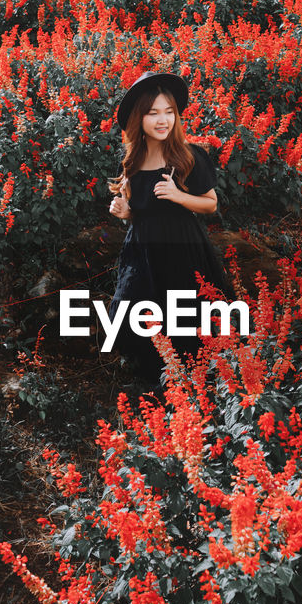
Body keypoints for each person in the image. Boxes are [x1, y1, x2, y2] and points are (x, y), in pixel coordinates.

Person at [107, 70, 234, 383]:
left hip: (181, 247)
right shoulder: (133, 159)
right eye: (153, 114)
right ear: (140, 119)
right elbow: (140, 211)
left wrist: (179, 196)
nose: (163, 120)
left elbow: (210, 204)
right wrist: (124, 212)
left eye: (169, 113)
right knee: (134, 308)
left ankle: (193, 382)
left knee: (184, 314)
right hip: (142, 250)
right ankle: (152, 376)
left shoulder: (188, 155)